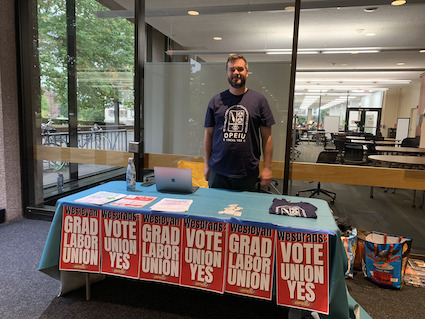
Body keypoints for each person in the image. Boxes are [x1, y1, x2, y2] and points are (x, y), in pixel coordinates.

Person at [203, 54, 275, 191]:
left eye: (240, 69)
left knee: (244, 211)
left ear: (246, 73)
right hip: (218, 171)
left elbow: (267, 137)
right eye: (232, 69)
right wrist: (206, 165)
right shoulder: (216, 101)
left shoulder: (259, 101)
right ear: (227, 73)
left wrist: (267, 167)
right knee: (213, 210)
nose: (236, 72)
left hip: (246, 172)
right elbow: (208, 135)